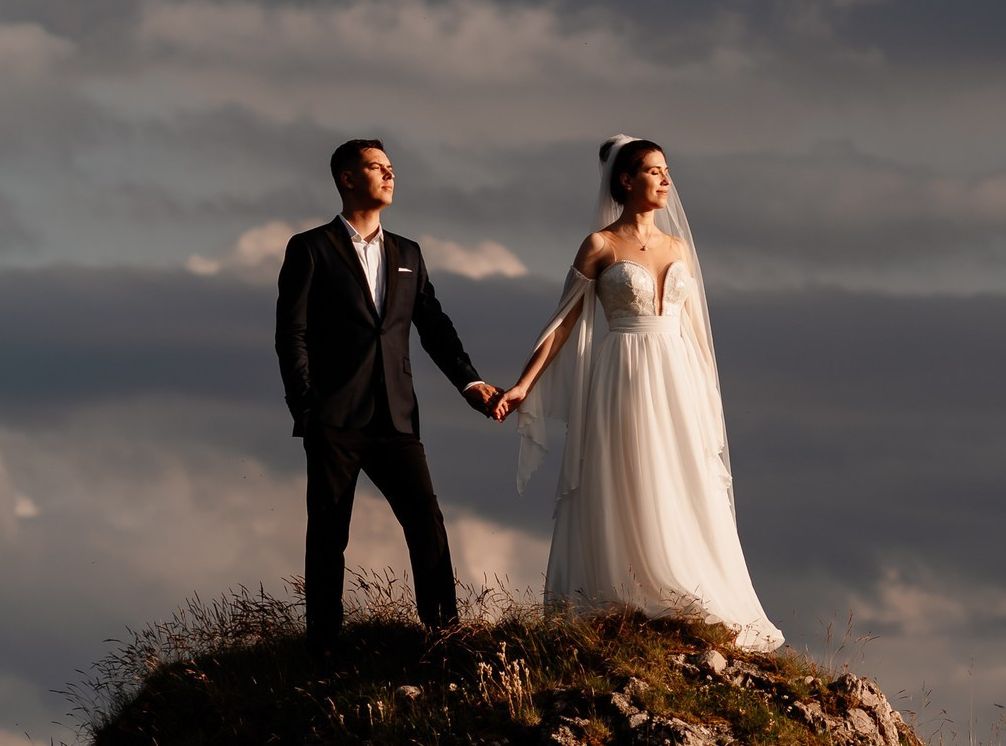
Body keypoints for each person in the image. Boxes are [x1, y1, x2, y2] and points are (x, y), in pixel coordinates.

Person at [494, 136, 782, 650]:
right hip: (623, 371)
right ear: (626, 181)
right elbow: (564, 322)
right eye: (655, 171)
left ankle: (690, 589)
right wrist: (522, 384)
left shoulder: (679, 249)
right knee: (630, 472)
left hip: (676, 376)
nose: (667, 180)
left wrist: (704, 398)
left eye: (667, 171)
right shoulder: (599, 245)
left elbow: (695, 332)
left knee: (681, 474)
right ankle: (626, 592)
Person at [274, 139, 502, 648]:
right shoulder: (309, 248)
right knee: (329, 534)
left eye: (391, 167)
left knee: (426, 519)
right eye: (376, 167)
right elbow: (292, 334)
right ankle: (325, 647)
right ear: (347, 179)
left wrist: (470, 381)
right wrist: (307, 407)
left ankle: (444, 634)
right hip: (334, 417)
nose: (389, 174)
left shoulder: (409, 253)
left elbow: (434, 327)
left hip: (397, 418)